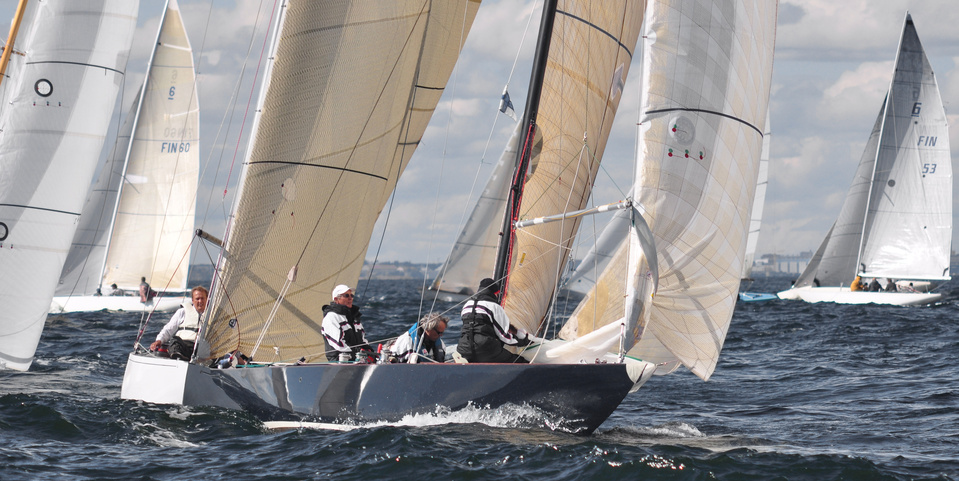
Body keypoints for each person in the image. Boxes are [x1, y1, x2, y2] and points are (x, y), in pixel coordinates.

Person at [457, 278, 535, 363]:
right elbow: (504, 336)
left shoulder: (466, 305)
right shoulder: (494, 306)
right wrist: (523, 342)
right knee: (521, 362)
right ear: (495, 293)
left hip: (464, 349)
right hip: (486, 349)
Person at [150, 286, 208, 361]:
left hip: (202, 349)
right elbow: (168, 330)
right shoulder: (182, 312)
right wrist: (159, 340)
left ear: (207, 299)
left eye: (202, 298)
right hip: (184, 346)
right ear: (193, 300)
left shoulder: (212, 315)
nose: (200, 301)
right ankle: (179, 358)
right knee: (175, 340)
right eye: (197, 299)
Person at [321, 285, 371, 362]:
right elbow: (339, 344)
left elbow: (362, 340)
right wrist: (359, 354)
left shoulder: (353, 317)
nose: (350, 298)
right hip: (340, 363)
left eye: (351, 295)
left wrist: (369, 352)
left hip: (358, 361)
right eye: (346, 295)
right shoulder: (331, 317)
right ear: (336, 299)